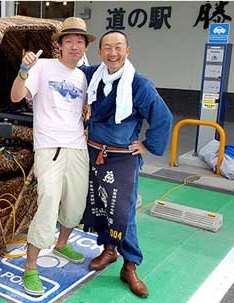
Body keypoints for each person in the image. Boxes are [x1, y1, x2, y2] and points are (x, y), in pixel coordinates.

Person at [78, 30, 173, 298]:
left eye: (118, 47)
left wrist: (147, 145)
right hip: (95, 154)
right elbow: (67, 71)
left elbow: (162, 117)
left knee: (124, 212)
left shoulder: (139, 84)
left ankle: (130, 265)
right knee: (99, 206)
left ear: (128, 51)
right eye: (107, 47)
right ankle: (108, 250)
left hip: (122, 158)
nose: (112, 52)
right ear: (100, 52)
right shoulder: (92, 75)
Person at [9, 17, 94, 297]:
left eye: (79, 41)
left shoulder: (84, 76)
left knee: (75, 203)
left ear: (84, 46)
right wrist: (24, 69)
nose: (74, 45)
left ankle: (62, 243)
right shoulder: (42, 67)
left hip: (77, 148)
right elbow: (15, 96)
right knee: (47, 203)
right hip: (49, 147)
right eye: (68, 40)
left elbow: (85, 110)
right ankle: (30, 267)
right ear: (59, 45)